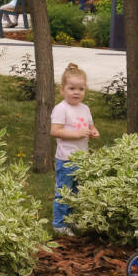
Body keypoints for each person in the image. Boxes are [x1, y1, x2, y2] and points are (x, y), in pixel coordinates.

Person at [49, 64, 99, 236]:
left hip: (82, 159)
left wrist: (93, 131)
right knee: (64, 191)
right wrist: (77, 134)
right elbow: (55, 131)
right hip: (66, 159)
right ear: (62, 90)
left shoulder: (85, 108)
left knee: (78, 192)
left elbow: (90, 125)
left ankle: (73, 221)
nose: (76, 92)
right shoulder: (61, 109)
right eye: (72, 88)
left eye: (81, 89)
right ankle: (59, 224)